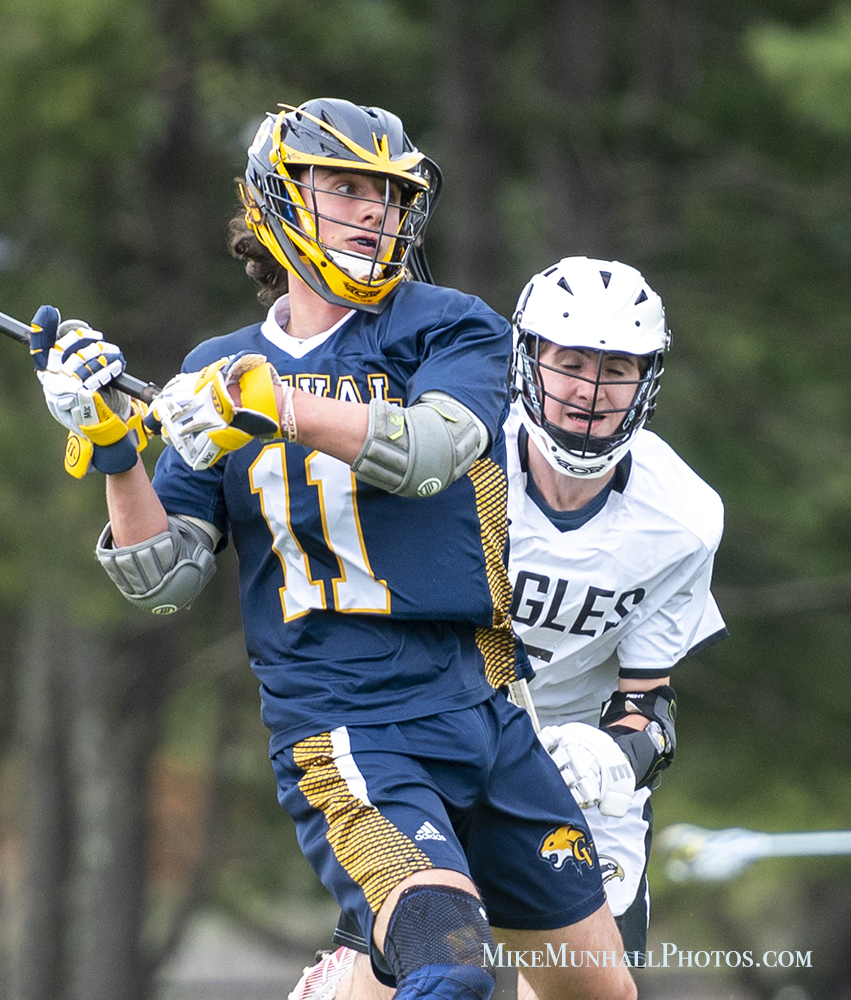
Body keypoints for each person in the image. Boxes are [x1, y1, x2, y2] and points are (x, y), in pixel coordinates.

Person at [29, 100, 635, 1000]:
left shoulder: (451, 326)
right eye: (346, 187)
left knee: (600, 993)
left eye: (388, 195)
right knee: (452, 966)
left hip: (485, 709)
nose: (372, 212)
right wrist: (116, 450)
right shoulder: (218, 363)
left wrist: (276, 404)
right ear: (276, 198)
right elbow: (164, 577)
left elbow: (432, 452)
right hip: (349, 726)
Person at [297, 256, 726, 1000]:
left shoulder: (685, 517)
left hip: (575, 771)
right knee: (422, 972)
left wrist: (614, 757)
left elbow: (649, 705)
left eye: (618, 369)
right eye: (571, 363)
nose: (590, 391)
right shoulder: (455, 456)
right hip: (441, 734)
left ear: (648, 380)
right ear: (527, 361)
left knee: (593, 993)